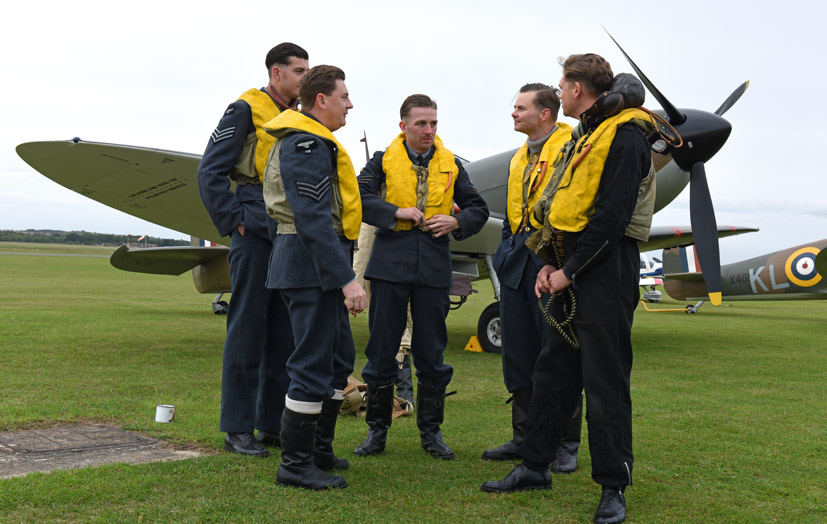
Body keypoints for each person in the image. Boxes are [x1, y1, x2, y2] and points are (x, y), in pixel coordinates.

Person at [480, 54, 656, 524]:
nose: (558, 93)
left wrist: (569, 270)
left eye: (562, 85)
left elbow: (611, 219)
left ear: (578, 89)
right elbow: (561, 208)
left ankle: (613, 488)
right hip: (568, 269)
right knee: (551, 371)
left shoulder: (626, 135)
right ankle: (535, 465)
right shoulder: (586, 136)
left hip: (606, 272)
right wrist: (547, 263)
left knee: (605, 382)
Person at [355, 94, 489, 460]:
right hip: (389, 266)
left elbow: (479, 208)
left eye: (433, 124)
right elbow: (358, 196)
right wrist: (393, 210)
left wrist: (457, 220)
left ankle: (431, 433)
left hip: (432, 268)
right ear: (403, 126)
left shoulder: (452, 165)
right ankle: (377, 432)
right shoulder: (381, 161)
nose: (428, 130)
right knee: (381, 351)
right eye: (421, 124)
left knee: (431, 352)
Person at [196, 42, 308, 457]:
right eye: (298, 71)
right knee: (246, 328)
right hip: (253, 228)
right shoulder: (243, 110)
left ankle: (271, 424)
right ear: (276, 73)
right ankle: (237, 427)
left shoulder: (299, 118)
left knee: (283, 331)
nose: (303, 78)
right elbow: (209, 171)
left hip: (286, 232)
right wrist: (234, 221)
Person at [261, 65, 366, 490]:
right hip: (311, 267)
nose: (350, 104)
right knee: (310, 364)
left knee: (337, 359)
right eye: (344, 96)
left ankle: (319, 449)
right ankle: (295, 464)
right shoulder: (306, 142)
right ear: (321, 100)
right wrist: (347, 280)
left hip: (314, 265)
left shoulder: (315, 140)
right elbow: (312, 219)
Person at [481, 83, 582, 470]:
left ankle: (564, 445)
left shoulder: (571, 146)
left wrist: (560, 260)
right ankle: (524, 437)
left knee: (558, 354)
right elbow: (512, 213)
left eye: (521, 107)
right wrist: (508, 248)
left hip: (552, 258)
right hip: (517, 260)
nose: (513, 113)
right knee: (518, 354)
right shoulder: (519, 156)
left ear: (545, 113)